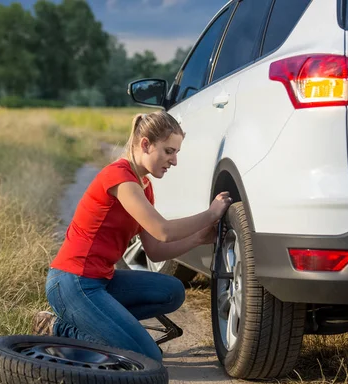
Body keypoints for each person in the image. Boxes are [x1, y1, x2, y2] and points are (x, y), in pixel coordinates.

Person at [33, 110, 232, 362]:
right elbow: (163, 230)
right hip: (72, 282)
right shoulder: (119, 177)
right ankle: (58, 328)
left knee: (172, 291)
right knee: (146, 356)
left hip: (101, 281)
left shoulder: (144, 188)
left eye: (177, 153)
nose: (174, 161)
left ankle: (106, 327)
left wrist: (198, 238)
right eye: (169, 151)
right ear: (146, 144)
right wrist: (211, 213)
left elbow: (156, 250)